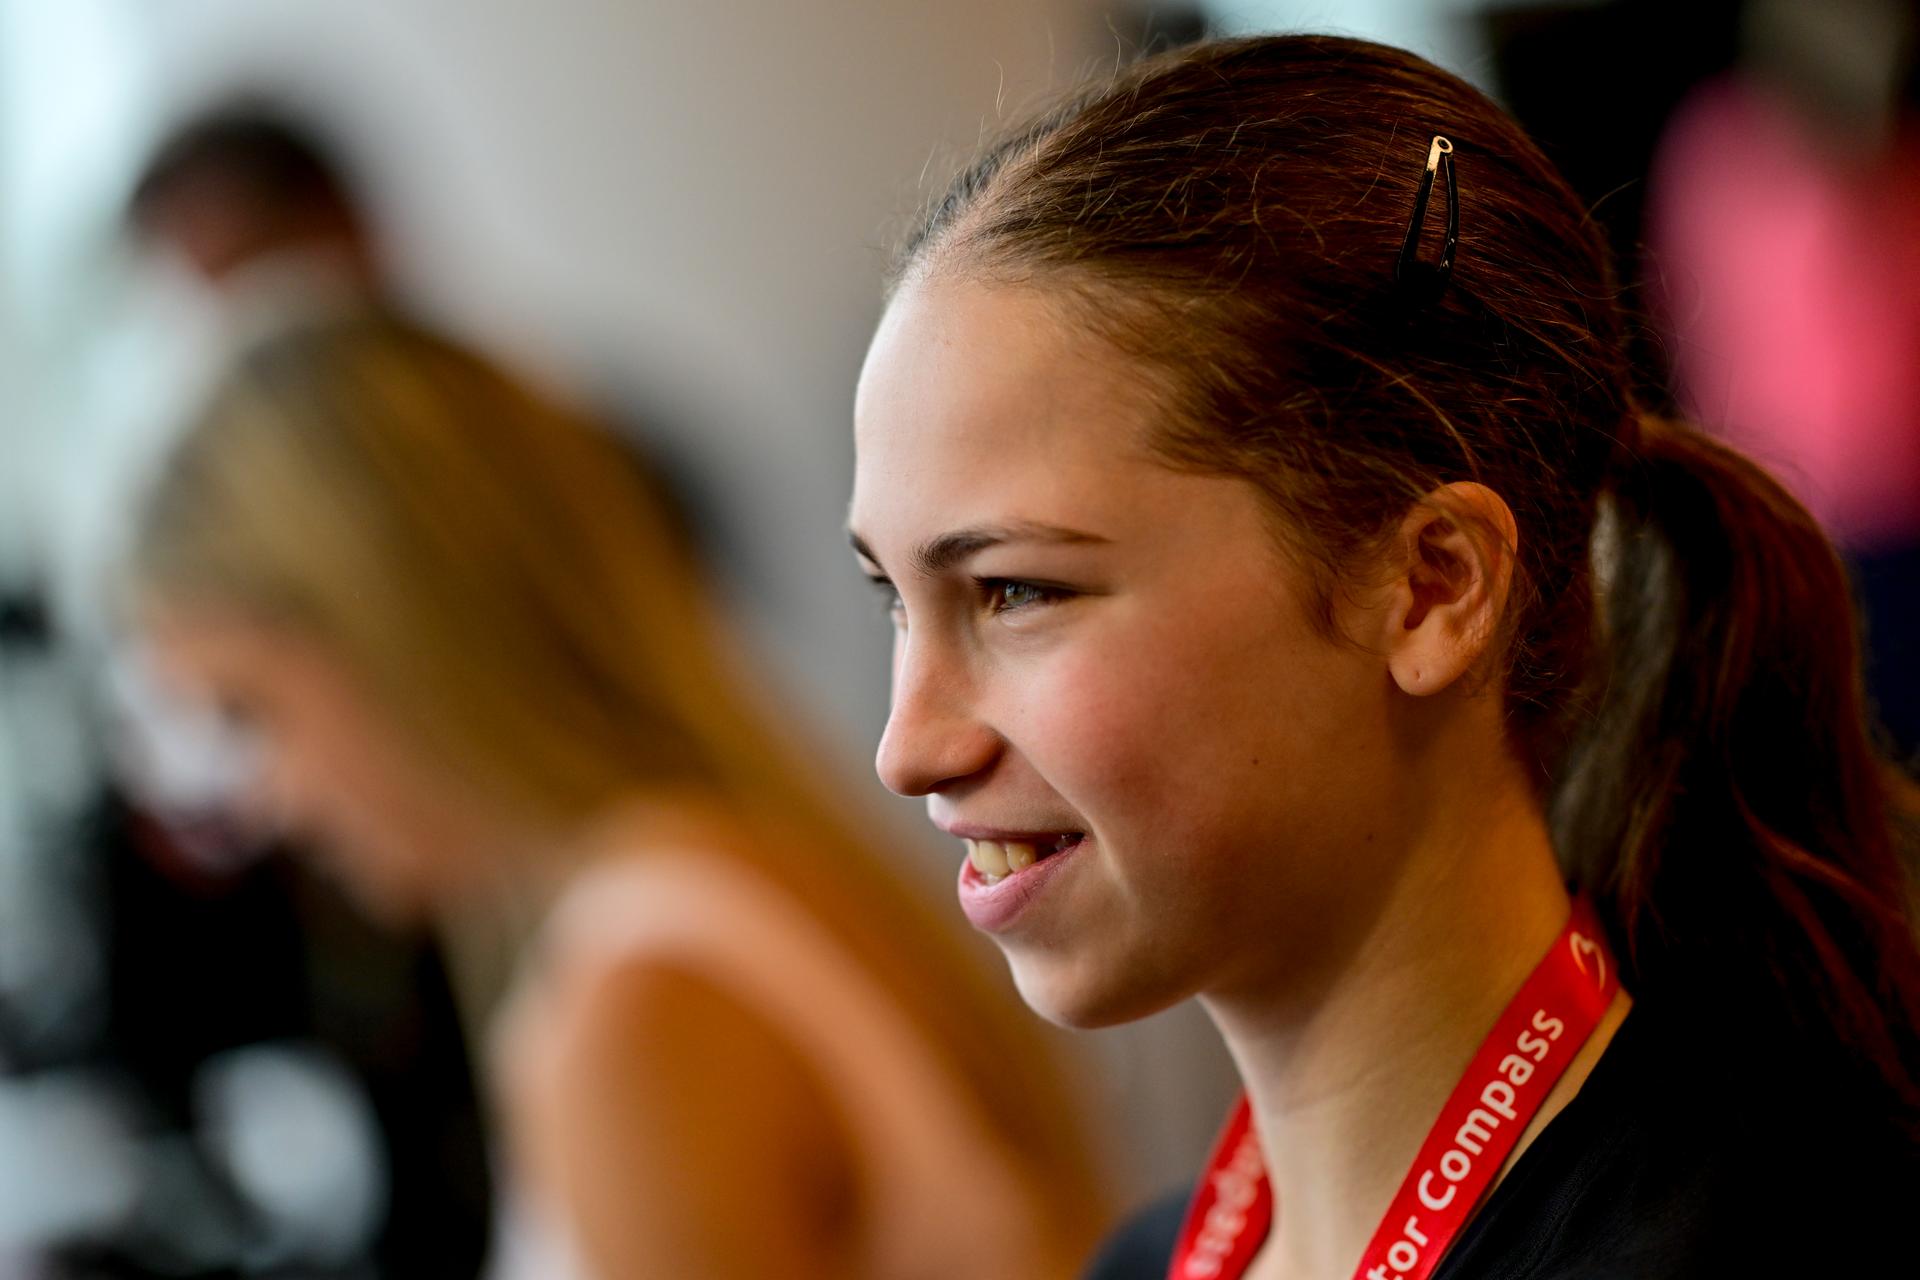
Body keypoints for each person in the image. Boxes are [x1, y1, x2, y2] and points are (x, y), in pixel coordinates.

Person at [848, 33, 1920, 1280]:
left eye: (1016, 590)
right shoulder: (1144, 1261)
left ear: (1431, 587)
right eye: (892, 597)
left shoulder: (1778, 1241)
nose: (908, 747)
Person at [125, 311, 1109, 1280]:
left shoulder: (645, 1001)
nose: (259, 802)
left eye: (248, 711)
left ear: (390, 630)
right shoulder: (747, 869)